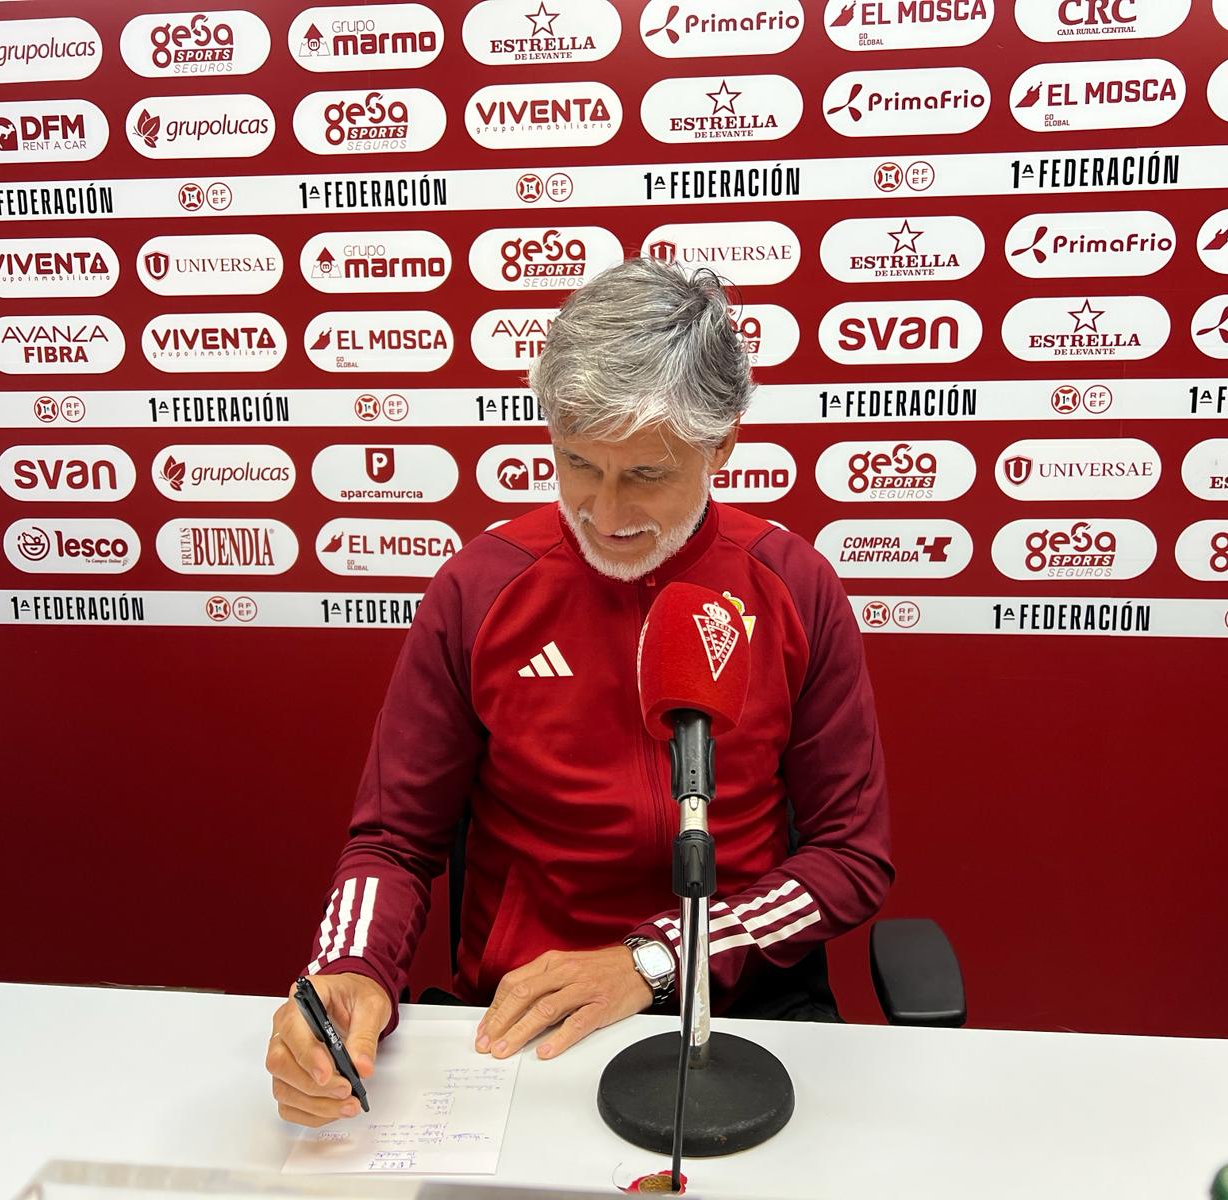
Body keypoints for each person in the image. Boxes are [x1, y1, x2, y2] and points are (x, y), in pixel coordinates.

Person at [265, 258, 893, 1127]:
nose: (603, 512)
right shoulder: (481, 588)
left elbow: (849, 857)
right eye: (576, 463)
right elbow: (393, 840)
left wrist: (653, 960)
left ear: (723, 446)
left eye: (644, 475)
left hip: (740, 1009)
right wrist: (349, 970)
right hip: (523, 1018)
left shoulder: (792, 586)